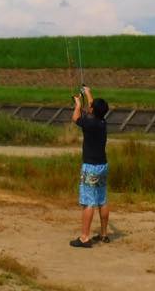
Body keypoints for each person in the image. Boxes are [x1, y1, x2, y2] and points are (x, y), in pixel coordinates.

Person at [69, 86, 110, 248]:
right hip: (102, 165)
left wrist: (78, 104)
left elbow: (75, 118)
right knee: (102, 199)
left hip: (91, 167)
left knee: (88, 202)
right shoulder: (101, 121)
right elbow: (94, 106)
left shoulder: (89, 123)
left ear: (92, 110)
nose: (89, 106)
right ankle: (104, 234)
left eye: (90, 106)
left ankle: (85, 237)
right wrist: (87, 92)